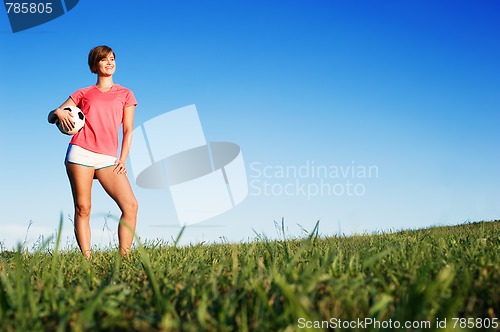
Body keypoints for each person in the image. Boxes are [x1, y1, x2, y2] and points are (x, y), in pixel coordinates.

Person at [48, 45, 138, 258]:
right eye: (104, 59)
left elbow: (127, 130)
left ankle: (124, 258)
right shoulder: (83, 93)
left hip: (108, 158)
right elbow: (52, 115)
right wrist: (59, 112)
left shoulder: (125, 94)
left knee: (131, 205)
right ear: (94, 65)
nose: (110, 62)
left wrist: (123, 159)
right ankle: (87, 261)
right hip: (81, 153)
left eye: (112, 58)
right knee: (83, 207)